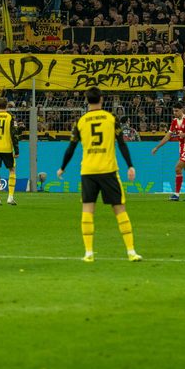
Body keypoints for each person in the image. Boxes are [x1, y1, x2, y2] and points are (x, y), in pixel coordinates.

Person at [57, 87, 142, 263]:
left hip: (88, 171)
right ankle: (131, 251)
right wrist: (130, 165)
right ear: (101, 99)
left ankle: (88, 253)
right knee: (119, 209)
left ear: (87, 100)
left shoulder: (81, 121)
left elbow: (71, 147)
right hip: (108, 170)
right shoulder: (111, 119)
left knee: (88, 210)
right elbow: (122, 144)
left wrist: (62, 167)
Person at [151, 101, 185, 201]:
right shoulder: (174, 121)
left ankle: (176, 194)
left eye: (176, 110)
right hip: (182, 148)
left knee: (177, 168)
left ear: (182, 110)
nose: (175, 112)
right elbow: (167, 136)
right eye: (173, 111)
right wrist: (157, 147)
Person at [0, 97, 19, 206]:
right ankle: (10, 197)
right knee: (12, 170)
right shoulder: (10, 117)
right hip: (6, 148)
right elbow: (14, 134)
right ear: (7, 105)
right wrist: (17, 150)